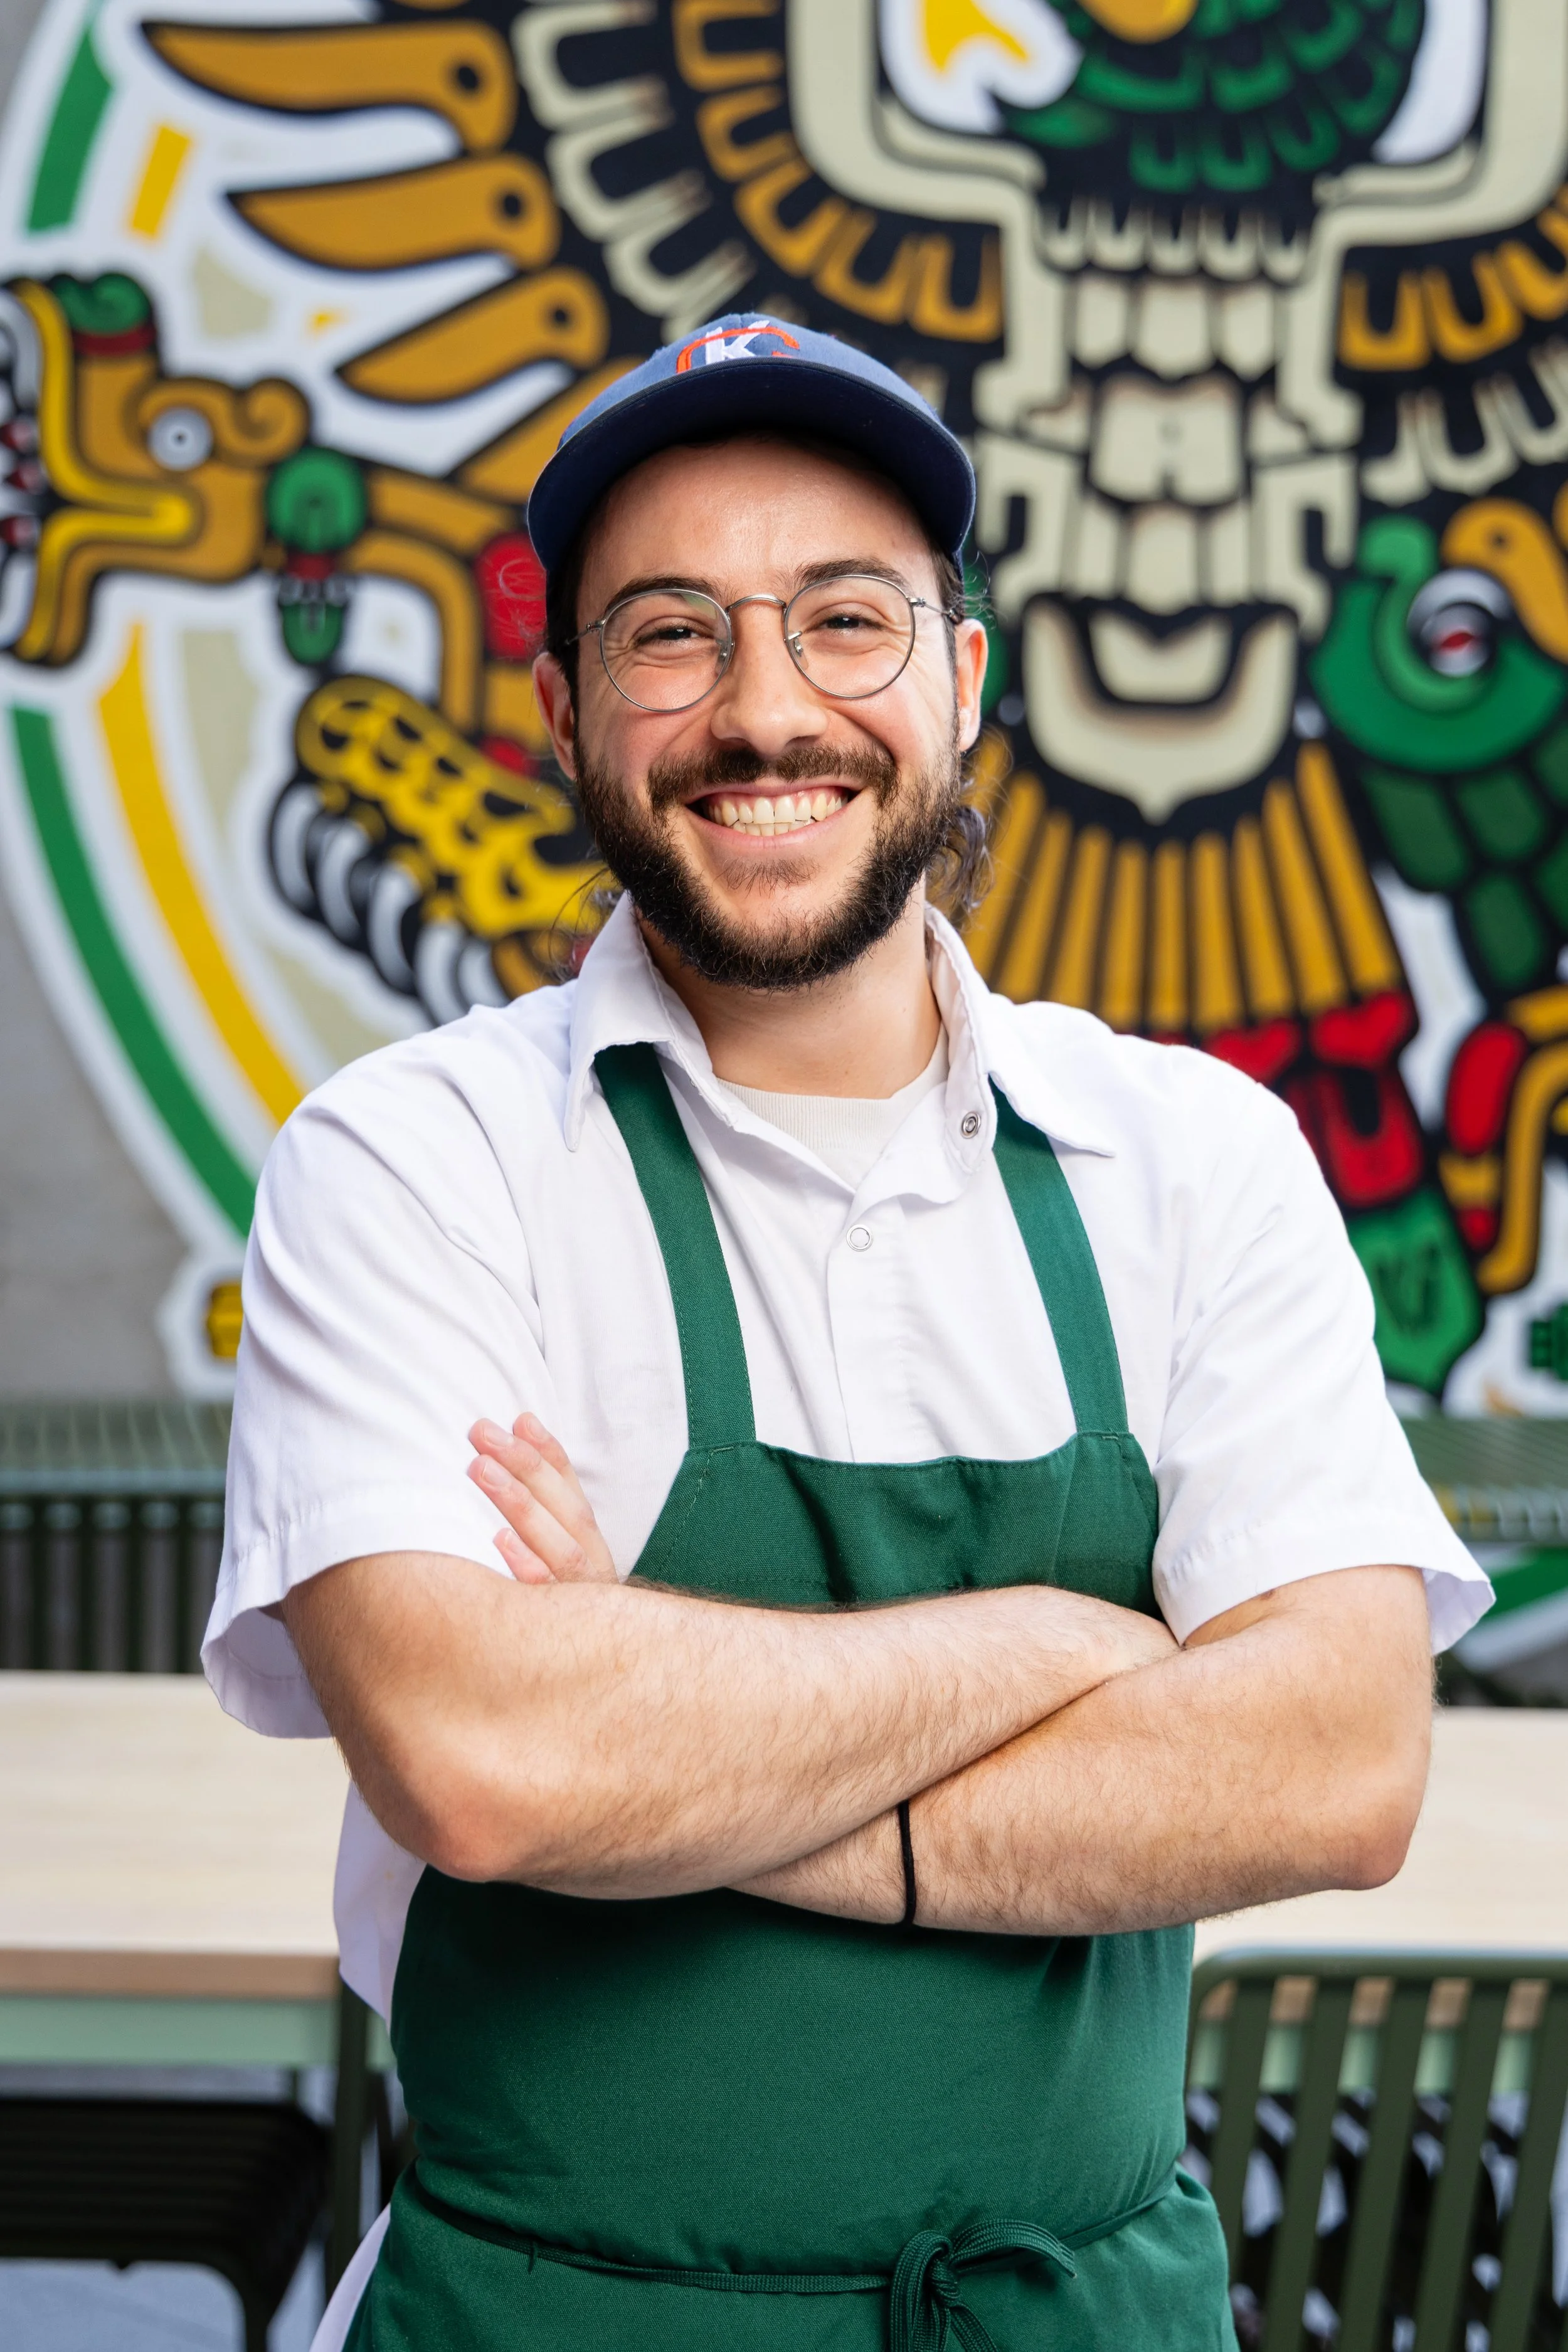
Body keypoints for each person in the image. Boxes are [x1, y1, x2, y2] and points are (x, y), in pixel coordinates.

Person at [208, 314, 1490, 2352]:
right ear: (559, 707)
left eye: (842, 620)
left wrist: (664, 1736)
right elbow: (485, 1762)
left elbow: (1332, 1766)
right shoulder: (410, 1160)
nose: (763, 708)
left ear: (960, 677)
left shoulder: (1189, 1156)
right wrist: (1070, 1646)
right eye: (671, 634)